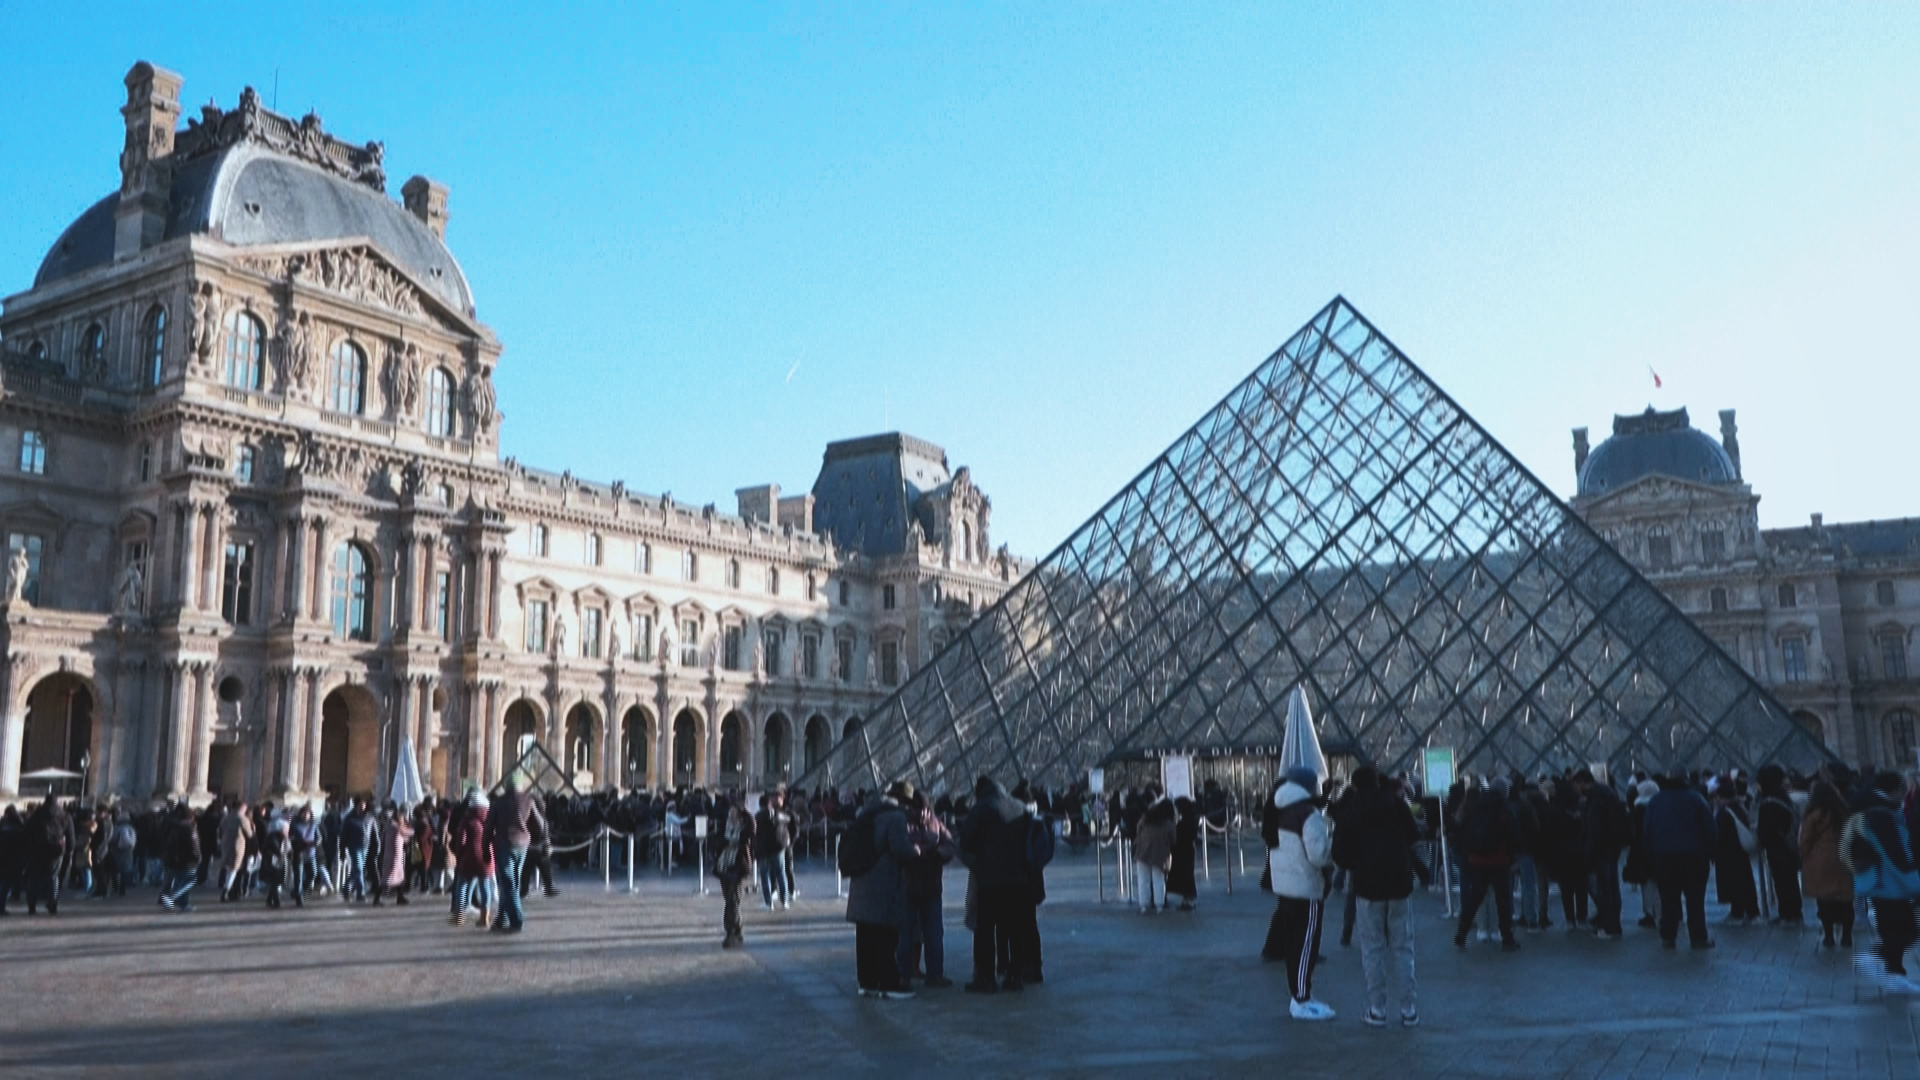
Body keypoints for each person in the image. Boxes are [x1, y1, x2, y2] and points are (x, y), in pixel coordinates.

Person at [1333, 767, 1422, 1028]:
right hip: (1399, 884)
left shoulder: (1352, 810)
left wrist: (1356, 865)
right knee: (1403, 947)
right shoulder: (1396, 805)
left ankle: (1377, 1008)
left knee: (1372, 949)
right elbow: (1413, 837)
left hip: (1367, 886)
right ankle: (1409, 1009)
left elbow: (1340, 852)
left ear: (1356, 784)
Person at [1264, 766, 1336, 1021]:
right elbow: (1318, 855)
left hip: (1285, 885)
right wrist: (1332, 853)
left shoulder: (1278, 809)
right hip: (1306, 886)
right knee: (1306, 944)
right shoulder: (1307, 814)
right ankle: (1302, 997)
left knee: (1294, 943)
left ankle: (1299, 993)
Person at [1842, 770, 1920, 992]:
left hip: (1877, 880)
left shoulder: (1867, 807)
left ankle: (1893, 975)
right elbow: (1894, 853)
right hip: (1888, 883)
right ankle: (1876, 958)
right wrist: (1914, 883)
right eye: (1902, 790)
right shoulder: (1882, 814)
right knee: (1908, 929)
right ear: (1894, 790)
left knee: (1894, 929)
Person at [844, 781, 919, 998]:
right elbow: (900, 849)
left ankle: (867, 982)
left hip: (860, 883)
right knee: (886, 936)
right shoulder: (895, 817)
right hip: (883, 884)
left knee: (865, 936)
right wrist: (916, 849)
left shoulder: (865, 813)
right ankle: (889, 984)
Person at [959, 776, 1031, 994]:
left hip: (989, 879)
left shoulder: (981, 808)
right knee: (1014, 928)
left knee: (985, 930)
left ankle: (986, 977)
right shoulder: (1020, 806)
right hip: (1017, 879)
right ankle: (1015, 974)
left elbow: (966, 841)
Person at [1644, 771, 1715, 950]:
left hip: (1664, 858)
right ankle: (1698, 938)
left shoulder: (1655, 801)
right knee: (1695, 900)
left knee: (1668, 900)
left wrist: (1652, 855)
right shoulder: (1696, 799)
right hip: (1694, 857)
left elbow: (1647, 831)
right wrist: (1711, 852)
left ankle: (1668, 936)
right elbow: (1710, 828)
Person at [1452, 777, 1521, 952]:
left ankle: (1461, 934)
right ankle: (1507, 938)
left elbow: (1464, 831)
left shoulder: (1475, 806)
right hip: (1499, 860)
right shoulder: (1505, 809)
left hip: (1476, 860)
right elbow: (1513, 835)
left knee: (1474, 899)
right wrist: (1513, 858)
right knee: (1503, 901)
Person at [899, 788, 956, 988]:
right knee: (905, 934)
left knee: (934, 934)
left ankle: (935, 974)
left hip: (931, 888)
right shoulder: (903, 824)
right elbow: (901, 849)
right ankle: (903, 975)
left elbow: (950, 845)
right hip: (909, 887)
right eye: (918, 809)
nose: (923, 813)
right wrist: (920, 852)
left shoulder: (936, 823)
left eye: (925, 809)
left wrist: (939, 853)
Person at [1800, 779, 1854, 949]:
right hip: (1843, 858)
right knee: (1846, 898)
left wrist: (1805, 855)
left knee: (1824, 899)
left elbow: (1805, 839)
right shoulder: (1844, 811)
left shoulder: (1814, 814)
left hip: (1821, 859)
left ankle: (1829, 936)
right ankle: (1846, 936)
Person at [487, 777, 546, 933]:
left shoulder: (498, 802)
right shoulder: (528, 800)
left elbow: (488, 827)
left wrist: (484, 847)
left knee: (507, 883)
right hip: (522, 845)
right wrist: (528, 831)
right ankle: (501, 918)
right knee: (513, 882)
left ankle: (516, 921)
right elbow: (540, 825)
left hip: (504, 843)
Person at [1576, 768, 1628, 939]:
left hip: (1600, 851)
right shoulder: (1608, 794)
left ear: (1584, 782)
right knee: (1612, 889)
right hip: (1612, 848)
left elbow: (1594, 829)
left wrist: (1588, 852)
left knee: (1604, 890)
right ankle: (1614, 925)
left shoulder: (1595, 799)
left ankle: (1609, 927)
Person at [1755, 765, 1804, 925]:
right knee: (1790, 880)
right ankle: (1794, 912)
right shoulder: (1784, 798)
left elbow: (1764, 830)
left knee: (1782, 881)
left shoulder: (1768, 802)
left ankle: (1787, 913)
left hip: (1776, 847)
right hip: (1789, 845)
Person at [1712, 781, 1761, 924]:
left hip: (1727, 854)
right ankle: (1748, 910)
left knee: (1733, 883)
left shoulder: (1723, 813)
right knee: (1744, 882)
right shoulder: (1739, 808)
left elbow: (1719, 835)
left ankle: (1739, 910)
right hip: (1740, 853)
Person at [715, 791, 756, 948]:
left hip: (739, 865)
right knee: (729, 899)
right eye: (730, 812)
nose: (731, 815)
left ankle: (731, 932)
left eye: (734, 812)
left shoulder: (746, 825)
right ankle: (737, 930)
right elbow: (717, 841)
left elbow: (752, 833)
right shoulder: (725, 826)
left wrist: (745, 812)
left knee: (733, 900)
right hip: (724, 865)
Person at [449, 788, 493, 928]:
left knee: (462, 886)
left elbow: (461, 841)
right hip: (487, 856)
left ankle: (459, 917)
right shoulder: (490, 818)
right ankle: (484, 918)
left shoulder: (467, 820)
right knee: (485, 887)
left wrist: (459, 854)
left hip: (469, 857)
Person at [22, 794, 70, 915]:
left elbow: (26, 831)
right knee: (53, 877)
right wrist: (68, 849)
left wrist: (29, 846)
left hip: (37, 850)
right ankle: (53, 903)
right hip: (55, 851)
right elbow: (70, 834)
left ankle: (31, 905)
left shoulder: (37, 814)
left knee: (34, 878)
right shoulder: (63, 815)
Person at [1132, 793, 1175, 915]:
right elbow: (1173, 839)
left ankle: (1144, 905)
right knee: (1159, 880)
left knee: (1143, 879)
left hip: (1142, 851)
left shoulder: (1145, 820)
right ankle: (1159, 905)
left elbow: (1138, 831)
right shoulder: (1167, 824)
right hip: (1160, 854)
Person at [158, 802, 201, 912]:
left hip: (172, 856)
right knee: (187, 881)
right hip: (187, 859)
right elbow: (193, 845)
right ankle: (179, 901)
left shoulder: (172, 824)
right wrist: (197, 857)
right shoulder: (189, 828)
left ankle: (168, 901)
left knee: (171, 880)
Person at [756, 789, 793, 910]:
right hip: (778, 848)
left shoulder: (758, 816)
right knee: (781, 874)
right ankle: (785, 901)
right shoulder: (782, 816)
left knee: (765, 875)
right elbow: (790, 824)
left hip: (764, 849)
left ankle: (768, 902)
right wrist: (787, 842)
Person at [372, 803, 414, 906]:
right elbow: (409, 833)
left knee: (398, 878)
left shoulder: (391, 827)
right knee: (387, 879)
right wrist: (408, 825)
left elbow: (404, 838)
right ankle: (376, 899)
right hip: (394, 858)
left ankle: (400, 897)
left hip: (393, 856)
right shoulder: (396, 828)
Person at [1168, 797, 1200, 912]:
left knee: (1186, 876)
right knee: (1185, 875)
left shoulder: (1186, 822)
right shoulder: (1190, 819)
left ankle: (1188, 900)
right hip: (1185, 851)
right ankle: (1186, 899)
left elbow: (1183, 835)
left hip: (1183, 851)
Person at [340, 797, 375, 902]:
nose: (362, 806)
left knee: (357, 869)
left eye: (364, 804)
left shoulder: (369, 817)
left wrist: (375, 845)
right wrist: (342, 850)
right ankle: (361, 893)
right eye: (360, 804)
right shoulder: (349, 818)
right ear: (356, 805)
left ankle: (345, 888)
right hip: (354, 846)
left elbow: (373, 832)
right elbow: (343, 835)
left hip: (365, 846)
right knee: (359, 869)